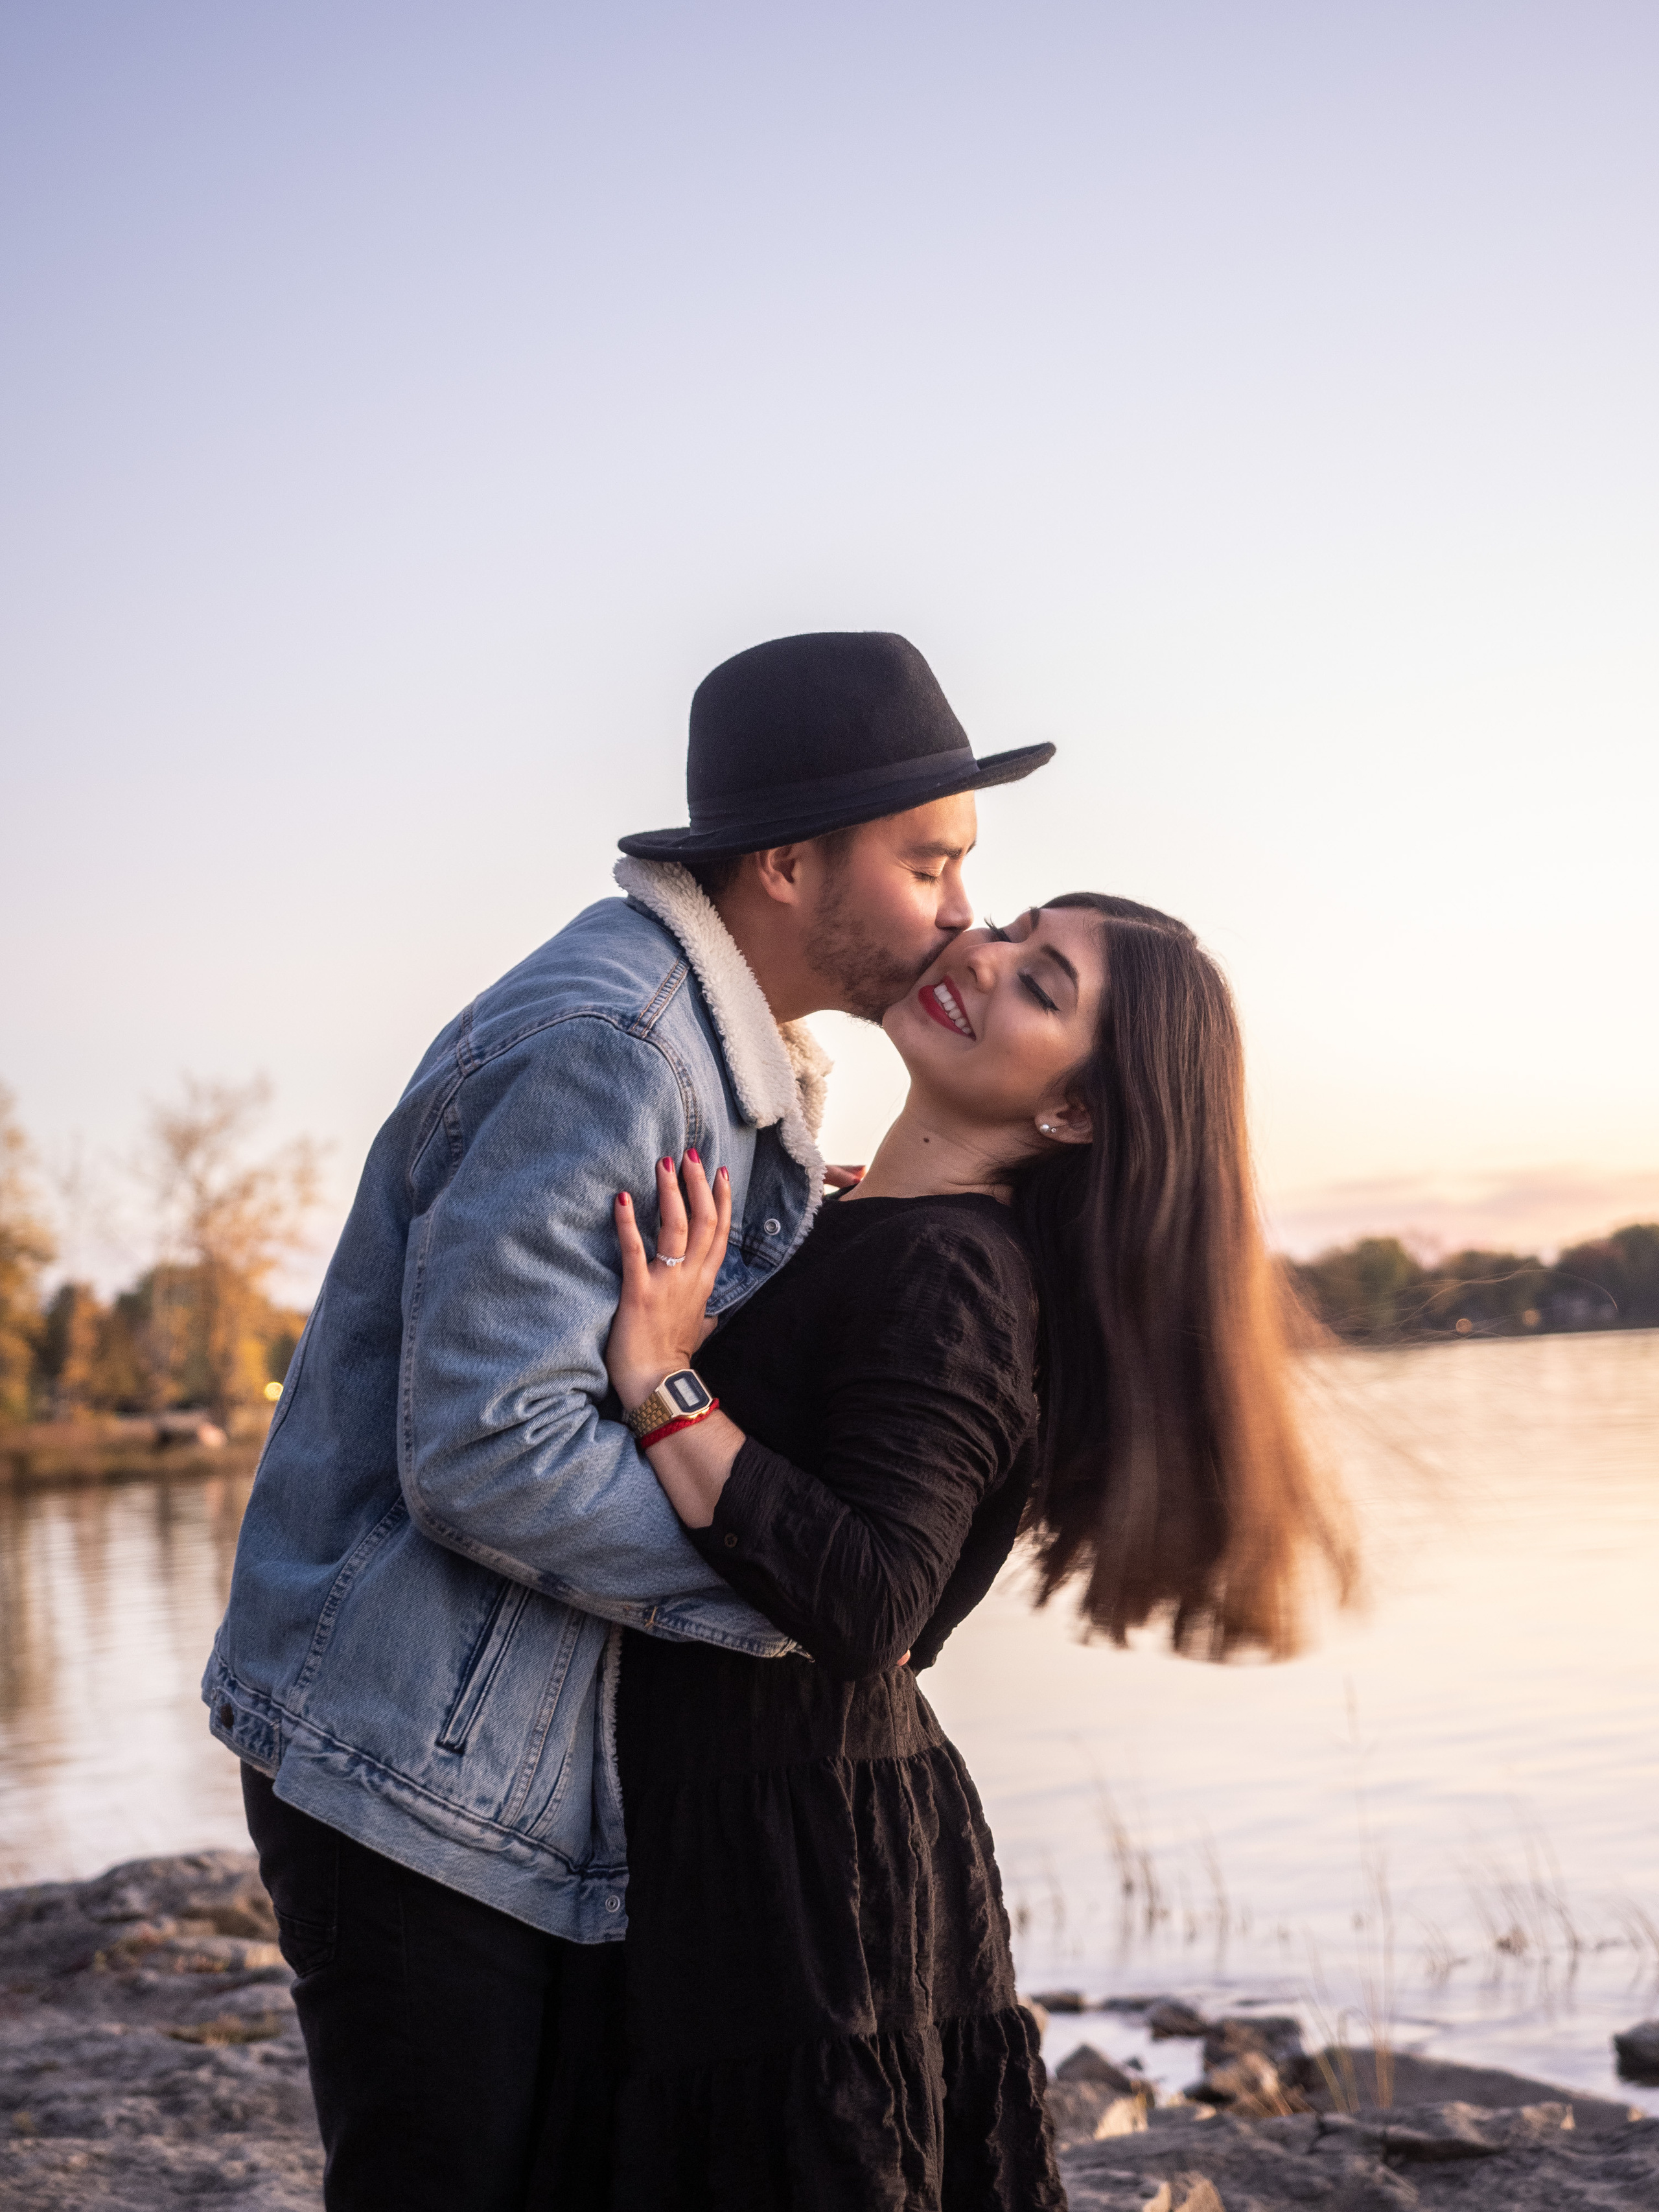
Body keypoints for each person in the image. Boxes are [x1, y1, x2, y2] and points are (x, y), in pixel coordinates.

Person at [203, 630, 1055, 2209]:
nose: (962, 910)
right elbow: (489, 1444)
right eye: (928, 859)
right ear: (791, 865)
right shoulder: (616, 1046)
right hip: (415, 1761)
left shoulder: (743, 1063)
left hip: (517, 1753)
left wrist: (785, 1280)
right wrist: (790, 1602)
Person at [597, 895, 1354, 2209]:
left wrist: (662, 1382)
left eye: (1040, 987)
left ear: (1071, 1115)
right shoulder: (873, 1231)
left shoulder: (952, 1269)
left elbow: (872, 1599)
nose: (981, 960)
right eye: (1009, 930)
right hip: (765, 1821)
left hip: (797, 1864)